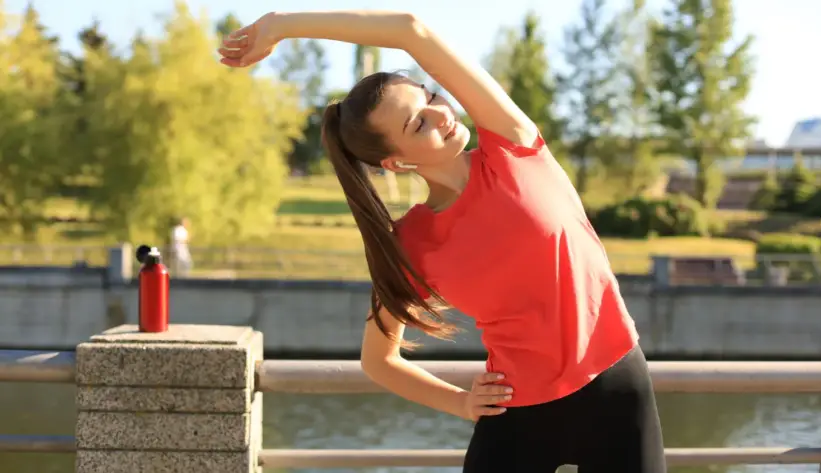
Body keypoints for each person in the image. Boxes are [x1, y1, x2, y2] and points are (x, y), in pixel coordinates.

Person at [219, 10, 666, 473]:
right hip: (516, 410)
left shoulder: (512, 145)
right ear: (397, 164)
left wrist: (282, 25)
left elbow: (410, 31)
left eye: (431, 96)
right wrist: (460, 402)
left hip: (616, 385)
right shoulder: (413, 243)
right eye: (418, 125)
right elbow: (379, 360)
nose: (441, 113)